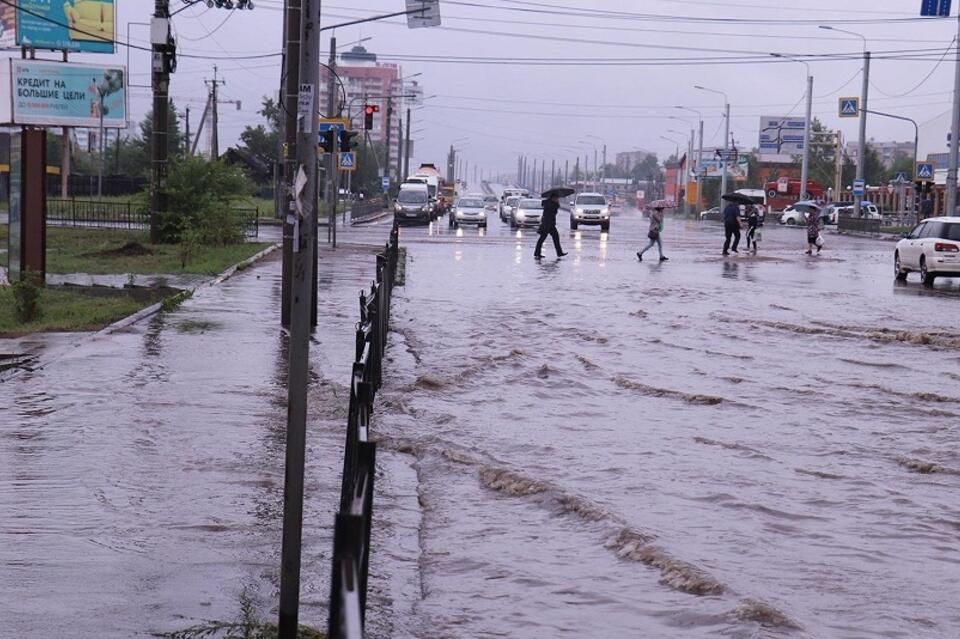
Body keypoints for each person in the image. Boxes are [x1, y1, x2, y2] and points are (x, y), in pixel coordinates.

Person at [534, 193, 567, 259]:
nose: (558, 199)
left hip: (550, 224)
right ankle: (537, 253)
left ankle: (559, 252)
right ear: (553, 198)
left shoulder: (551, 204)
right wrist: (557, 205)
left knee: (555, 237)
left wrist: (557, 204)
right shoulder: (549, 205)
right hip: (547, 224)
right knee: (542, 239)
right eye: (557, 198)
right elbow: (549, 214)